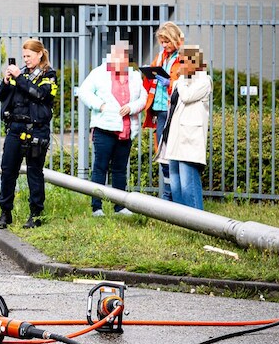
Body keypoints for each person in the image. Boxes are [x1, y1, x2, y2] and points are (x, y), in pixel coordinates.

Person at [79, 40, 147, 216]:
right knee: (100, 167)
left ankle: (119, 206)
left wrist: (132, 107)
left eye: (124, 56)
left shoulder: (134, 75)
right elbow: (84, 92)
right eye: (116, 55)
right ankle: (97, 207)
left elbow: (143, 98)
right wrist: (99, 105)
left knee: (119, 168)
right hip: (104, 128)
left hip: (126, 129)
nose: (120, 60)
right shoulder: (99, 73)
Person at [0, 39, 58, 230]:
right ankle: (5, 212)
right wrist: (6, 81)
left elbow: (39, 94)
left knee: (34, 173)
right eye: (24, 56)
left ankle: (36, 214)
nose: (26, 60)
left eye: (29, 56)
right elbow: (1, 96)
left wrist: (19, 78)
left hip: (37, 130)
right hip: (15, 128)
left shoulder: (49, 75)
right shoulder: (20, 73)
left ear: (40, 54)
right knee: (8, 171)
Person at [157, 46, 212, 210]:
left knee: (189, 184)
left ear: (193, 62)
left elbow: (187, 97)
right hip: (175, 139)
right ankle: (183, 222)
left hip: (189, 140)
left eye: (182, 61)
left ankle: (198, 223)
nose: (179, 65)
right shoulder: (182, 82)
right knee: (176, 184)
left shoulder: (204, 81)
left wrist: (179, 81)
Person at [142, 22, 185, 201]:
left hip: (174, 111)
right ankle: (168, 195)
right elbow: (151, 79)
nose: (164, 45)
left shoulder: (186, 56)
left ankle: (175, 196)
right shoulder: (161, 57)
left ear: (175, 38)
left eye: (167, 41)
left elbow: (190, 84)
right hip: (160, 111)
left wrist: (171, 83)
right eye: (162, 42)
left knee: (175, 154)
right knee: (162, 154)